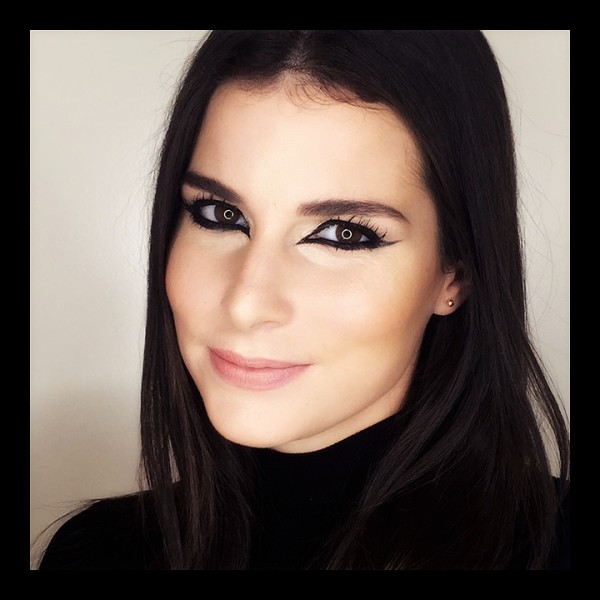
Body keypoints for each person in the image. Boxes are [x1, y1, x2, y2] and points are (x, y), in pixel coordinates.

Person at [37, 30, 569, 570]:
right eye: (221, 214)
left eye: (342, 234)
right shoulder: (94, 554)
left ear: (454, 274)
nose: (247, 303)